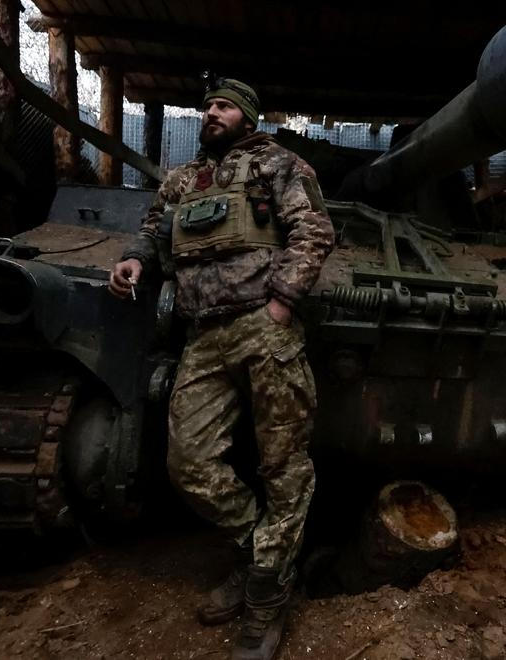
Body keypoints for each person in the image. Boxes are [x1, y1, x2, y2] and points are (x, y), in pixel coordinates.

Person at [108, 78, 334, 660]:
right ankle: (263, 556)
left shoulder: (278, 164)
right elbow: (153, 230)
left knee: (283, 466)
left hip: (264, 327)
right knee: (188, 463)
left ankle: (266, 597)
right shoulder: (183, 180)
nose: (211, 112)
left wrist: (281, 302)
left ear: (247, 117)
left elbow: (314, 230)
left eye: (224, 106)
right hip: (204, 336)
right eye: (208, 106)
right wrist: (134, 260)